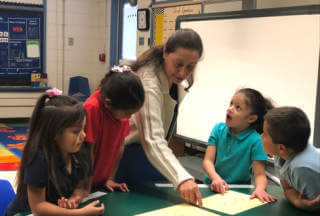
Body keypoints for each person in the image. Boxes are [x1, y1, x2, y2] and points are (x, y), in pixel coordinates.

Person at [115, 28, 204, 206]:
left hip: (150, 154)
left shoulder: (174, 79)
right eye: (178, 64)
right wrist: (183, 178)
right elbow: (152, 139)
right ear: (165, 52)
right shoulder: (148, 82)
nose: (183, 73)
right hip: (128, 156)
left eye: (190, 66)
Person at [5, 88, 104, 216]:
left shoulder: (80, 152)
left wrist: (74, 198)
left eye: (84, 129)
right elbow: (38, 207)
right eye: (76, 131)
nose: (83, 135)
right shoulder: (39, 158)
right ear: (55, 133)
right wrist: (79, 213)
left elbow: (82, 188)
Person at [203, 88, 276, 203]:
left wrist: (260, 189)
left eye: (238, 107)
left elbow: (260, 174)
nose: (230, 109)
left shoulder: (256, 140)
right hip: (212, 186)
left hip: (239, 192)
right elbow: (208, 161)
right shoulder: (218, 129)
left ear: (251, 118)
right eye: (231, 104)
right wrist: (215, 178)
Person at [84, 65, 145, 192]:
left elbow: (120, 146)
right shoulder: (92, 108)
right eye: (127, 114)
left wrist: (110, 178)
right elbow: (87, 151)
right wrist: (84, 186)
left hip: (100, 181)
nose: (129, 118)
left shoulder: (122, 108)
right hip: (82, 182)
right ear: (107, 103)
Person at [261, 106, 320, 212]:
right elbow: (288, 189)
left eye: (264, 134)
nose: (260, 137)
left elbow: (314, 205)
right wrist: (298, 202)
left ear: (281, 147)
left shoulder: (302, 168)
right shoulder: (282, 154)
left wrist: (304, 204)